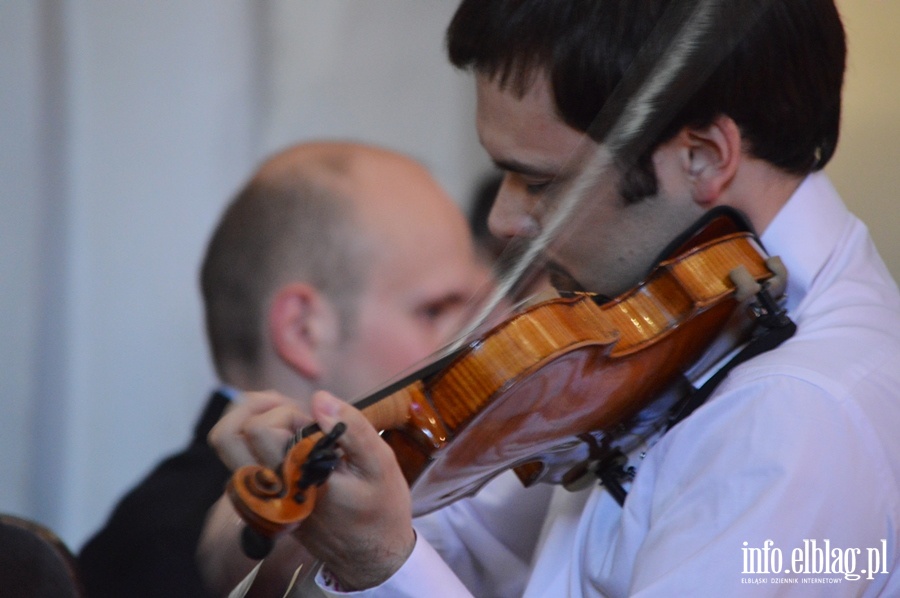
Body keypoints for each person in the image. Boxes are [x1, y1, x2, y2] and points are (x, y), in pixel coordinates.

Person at [208, 1, 900, 596]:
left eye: (540, 182)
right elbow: (473, 544)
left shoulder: (797, 415)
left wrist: (384, 562)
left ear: (704, 157)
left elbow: (414, 560)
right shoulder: (656, 323)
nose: (503, 221)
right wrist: (332, 520)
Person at [76, 141, 492, 597]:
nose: (469, 344)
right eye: (434, 311)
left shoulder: (422, 495)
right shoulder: (165, 543)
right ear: (302, 330)